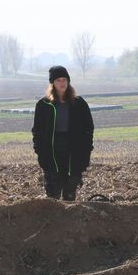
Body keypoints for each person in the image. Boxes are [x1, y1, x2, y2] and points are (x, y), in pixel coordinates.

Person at [32, 65, 94, 201]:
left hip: (74, 149)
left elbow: (88, 128)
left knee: (71, 187)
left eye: (65, 79)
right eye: (59, 80)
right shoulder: (43, 105)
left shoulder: (79, 103)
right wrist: (40, 151)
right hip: (52, 150)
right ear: (52, 83)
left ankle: (69, 216)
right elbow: (37, 131)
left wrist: (87, 149)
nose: (62, 83)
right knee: (53, 190)